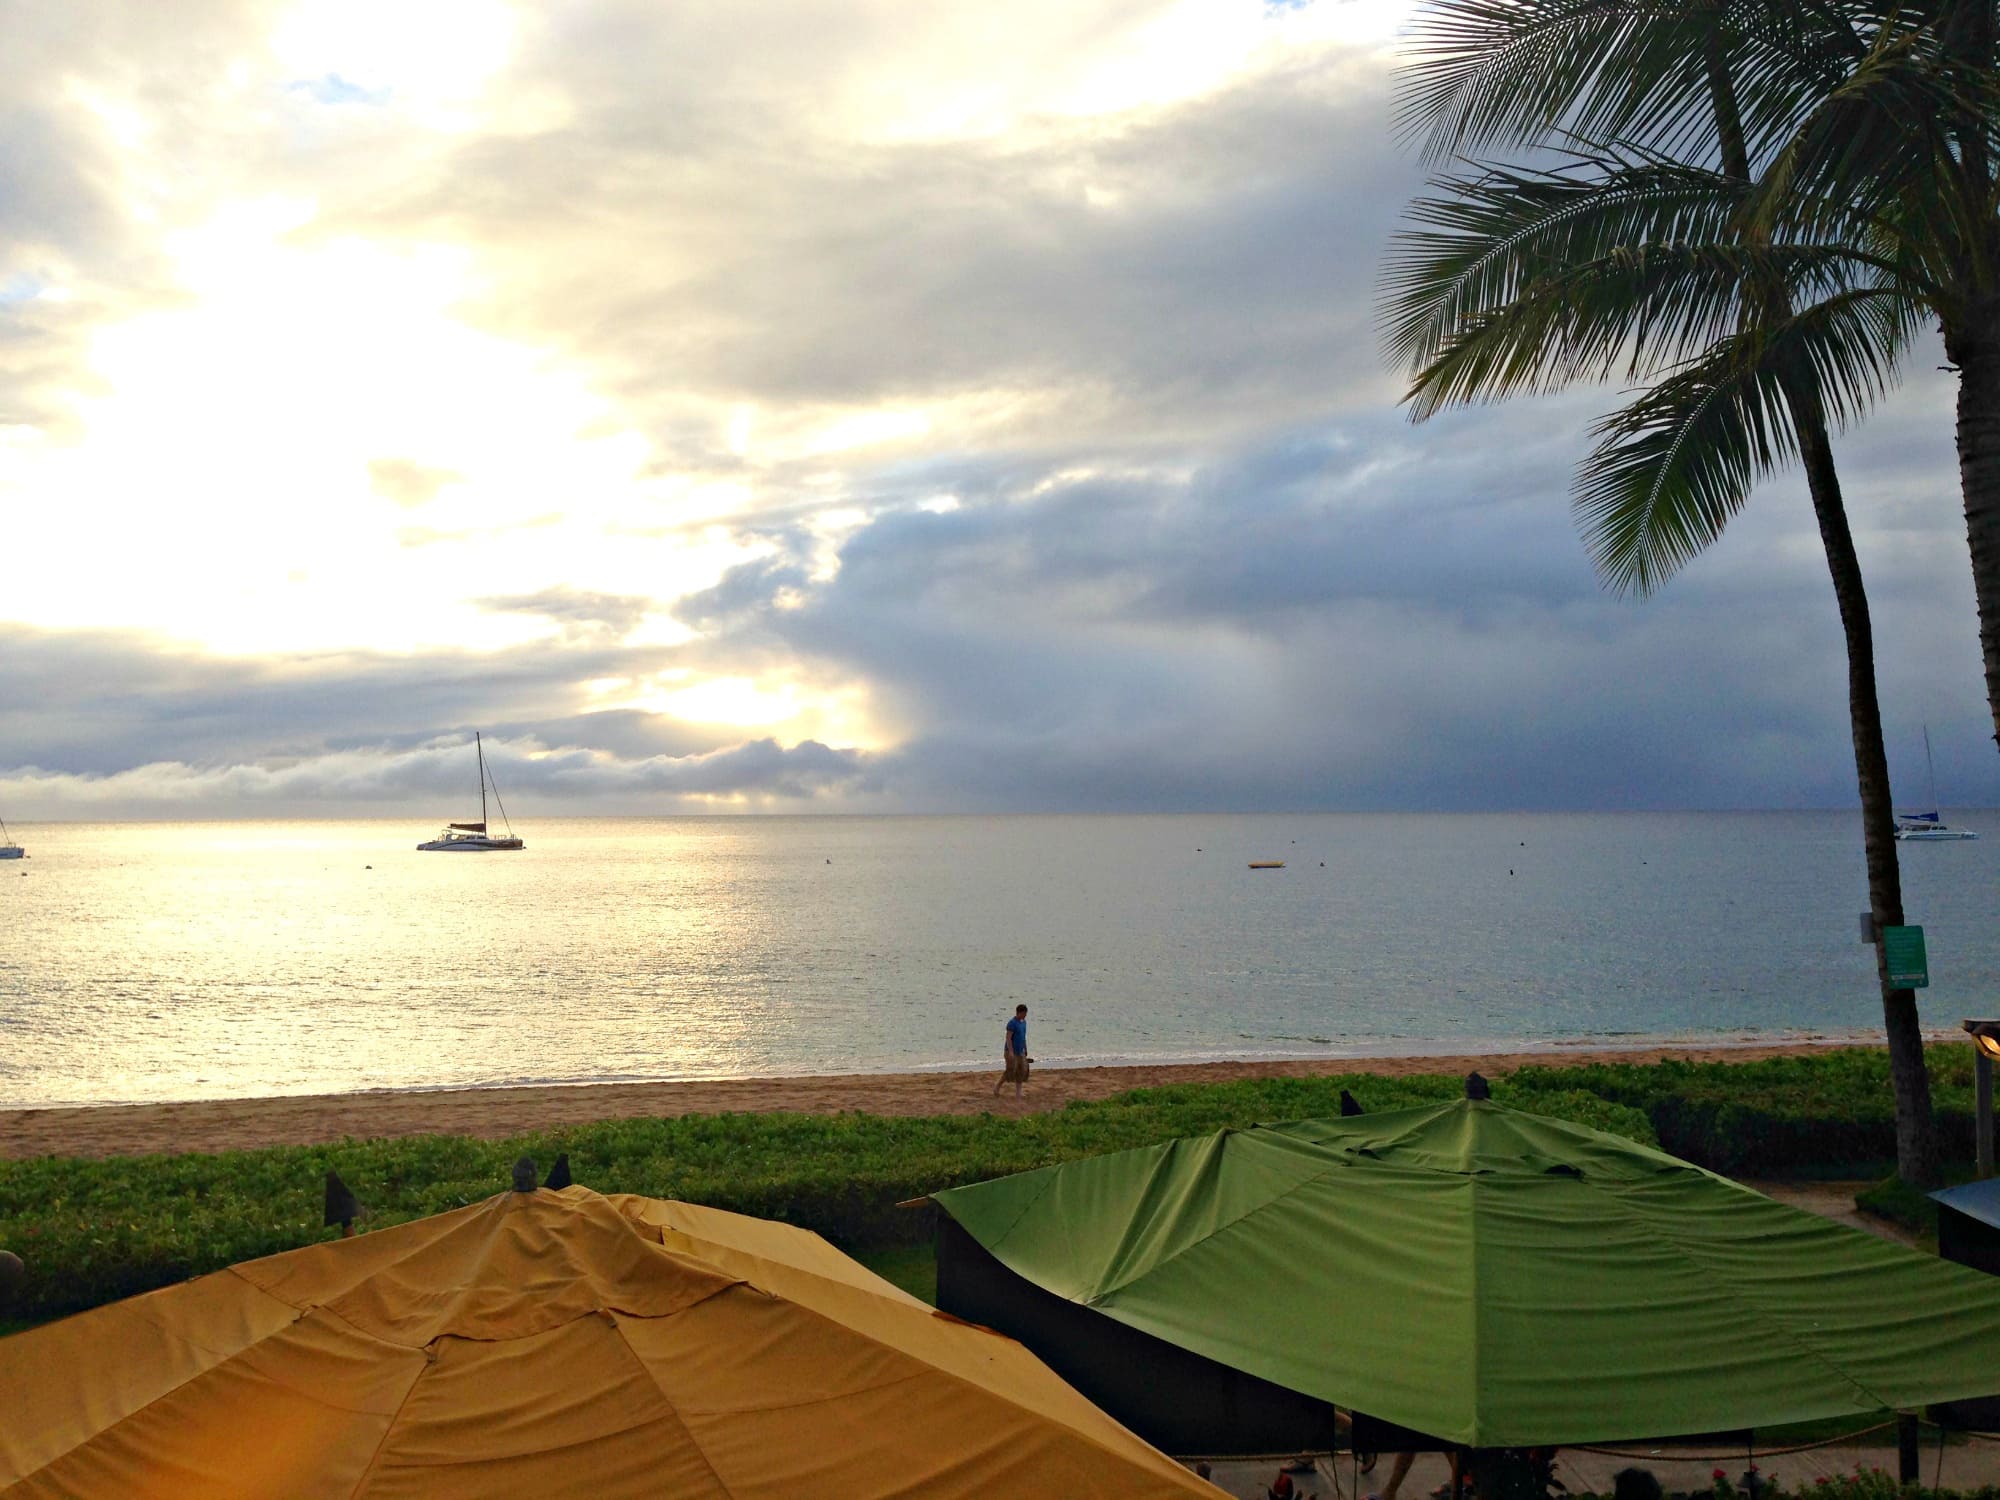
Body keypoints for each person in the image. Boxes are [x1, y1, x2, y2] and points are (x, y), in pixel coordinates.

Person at [994, 1003, 1030, 1098]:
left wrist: (1025, 1048)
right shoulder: (1012, 1023)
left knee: (1021, 1071)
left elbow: (1023, 1037)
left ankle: (1018, 1093)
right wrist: (1010, 1052)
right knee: (1010, 1071)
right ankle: (997, 1087)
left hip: (1020, 1051)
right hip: (1011, 1052)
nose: (1025, 1015)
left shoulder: (1024, 1023)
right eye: (1024, 1013)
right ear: (1019, 1012)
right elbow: (1008, 1038)